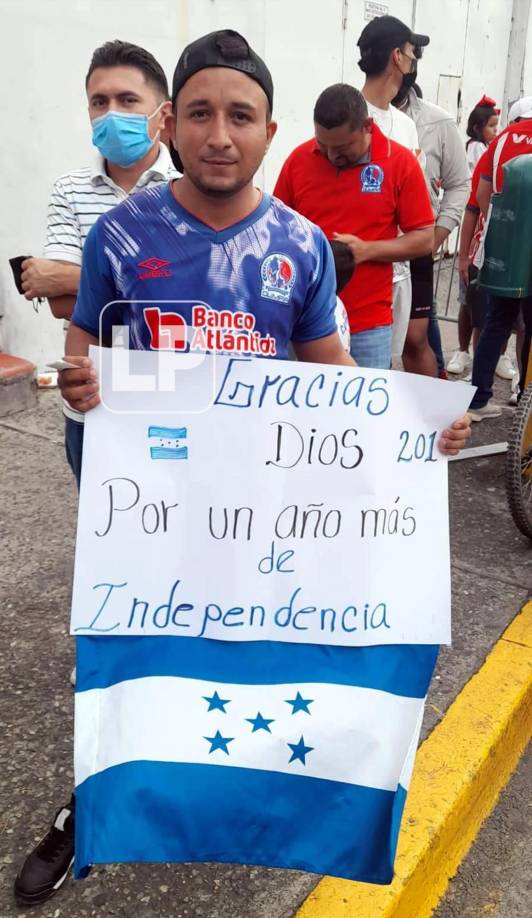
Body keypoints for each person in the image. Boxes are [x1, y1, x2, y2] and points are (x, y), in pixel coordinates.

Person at [16, 31, 471, 908]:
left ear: (270, 132)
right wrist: (78, 387)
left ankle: (260, 796)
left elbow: (336, 382)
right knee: (130, 651)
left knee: (254, 652)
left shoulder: (298, 246)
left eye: (241, 116)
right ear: (171, 126)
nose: (219, 133)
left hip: (262, 511)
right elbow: (81, 363)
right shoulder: (119, 234)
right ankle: (98, 806)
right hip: (147, 509)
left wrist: (416, 433)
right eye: (199, 113)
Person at [19, 40, 176, 488]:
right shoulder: (69, 190)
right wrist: (150, 281)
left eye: (128, 101)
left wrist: (67, 279)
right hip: (91, 393)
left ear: (162, 116)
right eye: (99, 102)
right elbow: (62, 305)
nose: (111, 114)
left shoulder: (186, 191)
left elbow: (184, 300)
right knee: (101, 517)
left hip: (168, 389)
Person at [273, 83, 435, 369]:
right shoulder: (298, 161)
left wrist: (366, 250)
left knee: (364, 412)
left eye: (342, 147)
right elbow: (273, 230)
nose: (332, 155)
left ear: (367, 126)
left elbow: (424, 239)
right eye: (323, 146)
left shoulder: (400, 163)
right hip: (303, 320)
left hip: (368, 324)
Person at [356, 14, 429, 364]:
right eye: (412, 52)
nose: (414, 60)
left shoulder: (405, 126)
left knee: (386, 369)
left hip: (400, 272)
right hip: (359, 275)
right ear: (396, 58)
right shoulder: (349, 117)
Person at [392, 80, 470, 377]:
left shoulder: (437, 121)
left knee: (417, 339)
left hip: (416, 247)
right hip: (371, 247)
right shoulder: (358, 112)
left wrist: (438, 235)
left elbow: (460, 183)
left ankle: (435, 412)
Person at [469, 95, 532, 420]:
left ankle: (478, 398)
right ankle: (525, 403)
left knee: (496, 322)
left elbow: (481, 194)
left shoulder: (503, 139)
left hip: (502, 246)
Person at [447, 96, 500, 375]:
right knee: (470, 301)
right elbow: (476, 194)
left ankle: (477, 355)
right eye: (492, 125)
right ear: (478, 126)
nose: (496, 130)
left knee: (475, 304)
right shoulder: (478, 150)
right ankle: (464, 351)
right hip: (477, 234)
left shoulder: (488, 147)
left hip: (482, 236)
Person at [465, 95, 500, 173]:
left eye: (496, 125)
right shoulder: (478, 146)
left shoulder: (480, 145)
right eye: (491, 125)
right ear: (477, 128)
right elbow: (487, 169)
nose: (495, 129)